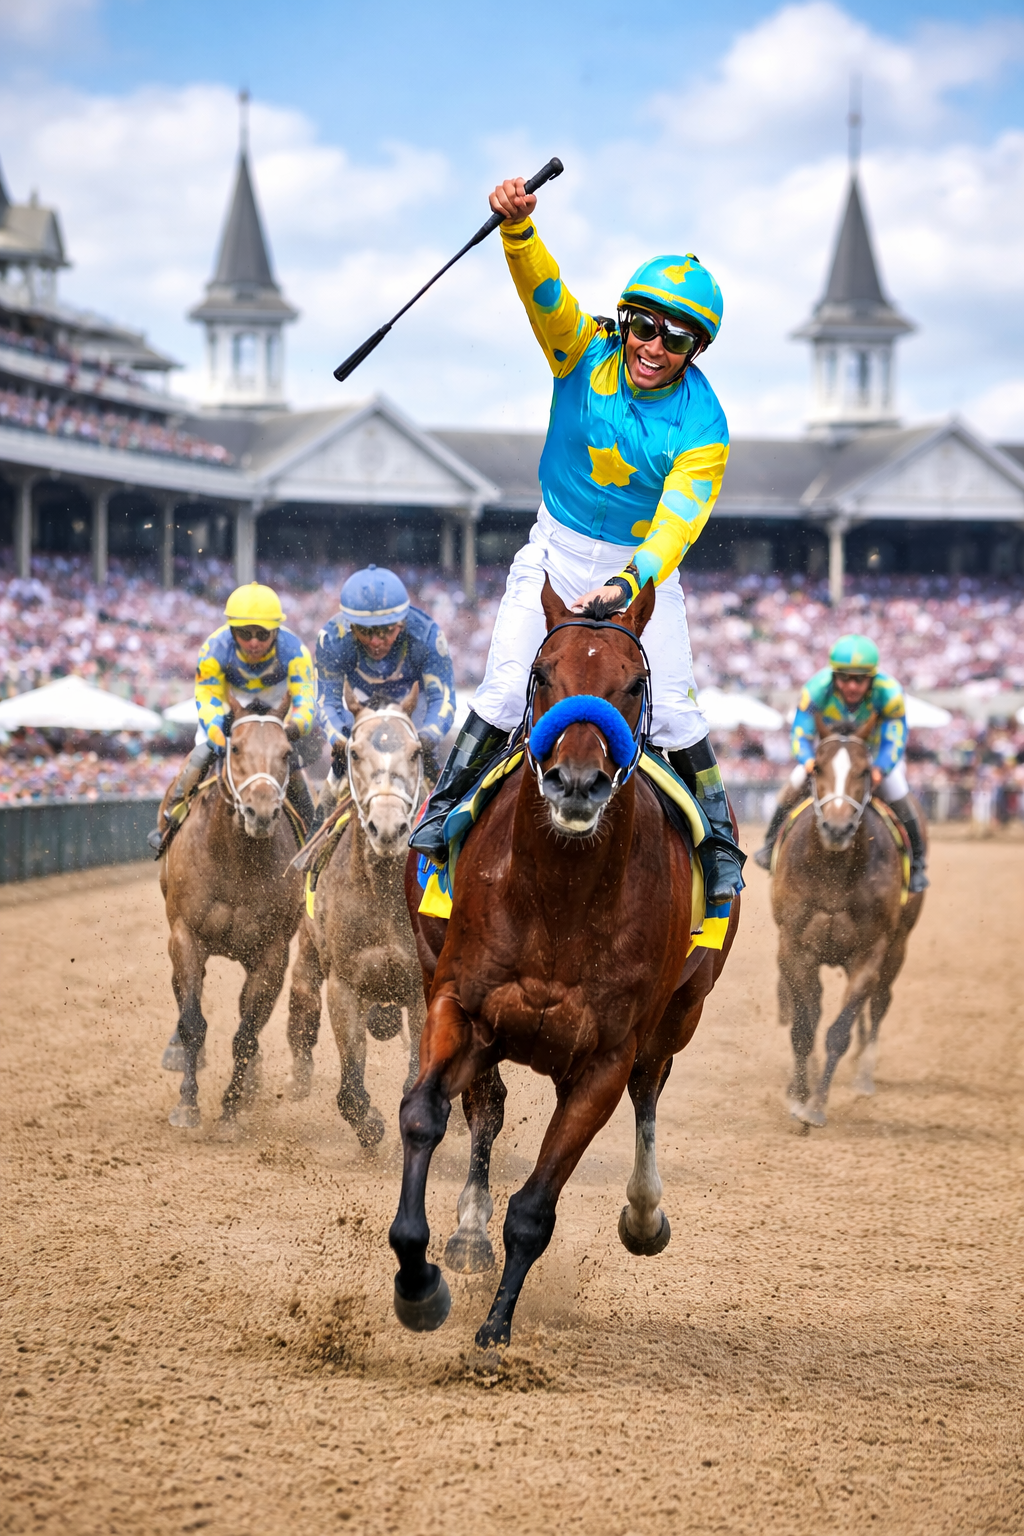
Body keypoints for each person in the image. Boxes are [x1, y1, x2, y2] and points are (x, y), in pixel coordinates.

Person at [410, 174, 745, 901]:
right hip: (555, 554)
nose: (655, 346)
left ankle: (718, 846)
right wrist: (519, 232)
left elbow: (678, 523)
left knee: (680, 713)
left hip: (642, 574)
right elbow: (546, 296)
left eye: (678, 338)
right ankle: (440, 814)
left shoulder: (704, 425)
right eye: (645, 325)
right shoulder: (582, 349)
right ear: (625, 319)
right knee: (502, 694)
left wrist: (631, 582)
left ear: (696, 349)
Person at [753, 634, 929, 891]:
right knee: (796, 779)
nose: (852, 686)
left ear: (872, 678)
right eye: (845, 678)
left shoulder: (890, 693)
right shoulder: (816, 689)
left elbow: (895, 739)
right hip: (830, 752)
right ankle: (769, 847)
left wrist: (881, 768)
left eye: (860, 679)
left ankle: (917, 866)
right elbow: (800, 734)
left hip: (873, 753)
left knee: (897, 789)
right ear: (834, 676)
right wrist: (807, 760)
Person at [149, 581, 316, 850]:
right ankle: (170, 822)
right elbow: (206, 698)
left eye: (262, 635)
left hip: (274, 714)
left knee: (292, 764)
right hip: (230, 712)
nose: (253, 642)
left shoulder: (295, 651)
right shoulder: (214, 649)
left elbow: (306, 700)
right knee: (200, 756)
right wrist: (220, 736)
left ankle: (311, 832)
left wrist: (293, 728)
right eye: (244, 633)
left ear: (275, 632)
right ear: (231, 630)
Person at [313, 564, 456, 825]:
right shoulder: (332, 638)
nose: (376, 641)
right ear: (350, 625)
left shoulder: (426, 635)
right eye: (365, 631)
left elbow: (442, 699)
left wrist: (427, 736)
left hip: (411, 709)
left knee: (432, 763)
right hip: (361, 708)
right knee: (336, 773)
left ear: (401, 624)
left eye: (386, 631)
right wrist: (337, 738)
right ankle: (313, 852)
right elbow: (328, 702)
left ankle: (441, 830)